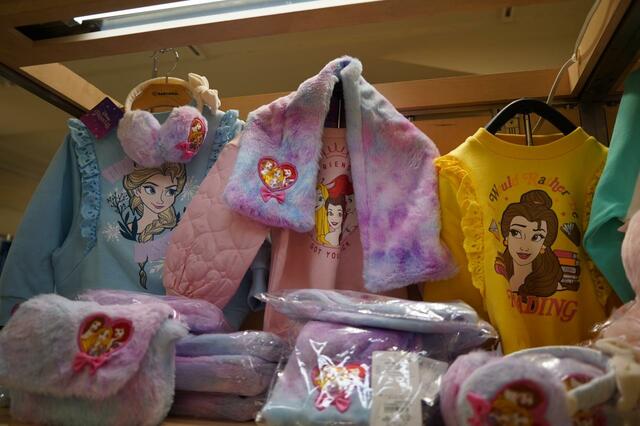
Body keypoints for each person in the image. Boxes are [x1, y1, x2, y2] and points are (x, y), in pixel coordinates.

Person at [497, 190, 563, 301]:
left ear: (544, 245)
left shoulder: (552, 285)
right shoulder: (499, 274)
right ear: (506, 237)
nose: (524, 247)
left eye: (536, 237)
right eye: (516, 233)